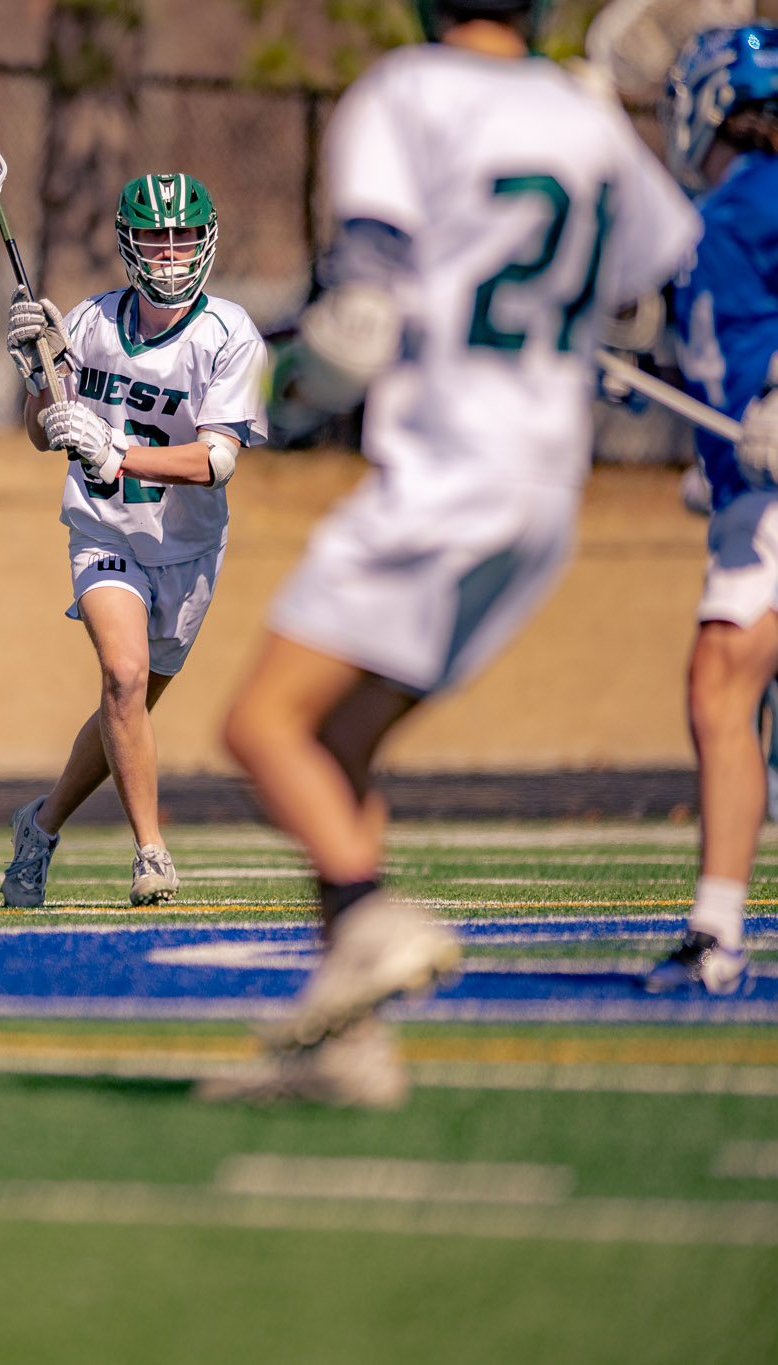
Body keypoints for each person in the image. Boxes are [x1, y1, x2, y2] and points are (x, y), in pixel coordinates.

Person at [208, 0, 700, 1105]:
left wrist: (282, 391)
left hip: (445, 472)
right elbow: (668, 271)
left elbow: (360, 320)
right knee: (339, 741)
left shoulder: (406, 93)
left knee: (260, 726)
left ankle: (367, 914)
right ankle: (347, 1046)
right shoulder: (583, 117)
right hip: (544, 490)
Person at [0, 174, 267, 906]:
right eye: (156, 236)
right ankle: (151, 852)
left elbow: (216, 462)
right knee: (122, 676)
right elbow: (42, 433)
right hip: (104, 528)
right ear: (129, 241)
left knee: (131, 702)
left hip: (187, 546)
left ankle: (41, 824)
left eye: (183, 237)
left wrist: (115, 450)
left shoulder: (230, 334)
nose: (170, 252)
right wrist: (40, 375)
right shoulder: (90, 322)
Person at [645, 25, 778, 995]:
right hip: (747, 498)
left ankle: (716, 929)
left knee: (721, 680)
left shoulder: (758, 196)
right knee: (726, 687)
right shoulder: (705, 219)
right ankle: (716, 928)